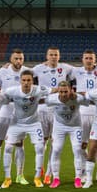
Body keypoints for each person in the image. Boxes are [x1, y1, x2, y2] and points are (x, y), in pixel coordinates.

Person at [0, 70, 56, 188]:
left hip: (34, 123)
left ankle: (37, 177)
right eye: (24, 80)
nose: (26, 83)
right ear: (20, 81)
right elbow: (0, 95)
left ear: (32, 81)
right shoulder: (13, 90)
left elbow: (54, 90)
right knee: (8, 148)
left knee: (40, 148)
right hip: (16, 123)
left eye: (28, 80)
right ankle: (7, 178)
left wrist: (68, 91)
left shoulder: (38, 89)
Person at [0, 49, 30, 187]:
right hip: (4, 112)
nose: (18, 61)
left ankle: (20, 175)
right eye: (16, 58)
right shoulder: (2, 72)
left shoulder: (27, 71)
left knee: (19, 144)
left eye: (21, 58)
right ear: (11, 59)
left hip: (20, 113)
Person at [32, 47, 74, 184]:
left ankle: (49, 173)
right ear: (47, 56)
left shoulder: (65, 68)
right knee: (42, 141)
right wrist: (8, 66)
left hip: (58, 109)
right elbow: (23, 72)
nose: (53, 57)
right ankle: (40, 168)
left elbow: (81, 71)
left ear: (59, 56)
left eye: (56, 54)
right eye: (51, 54)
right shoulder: (38, 68)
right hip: (42, 108)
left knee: (54, 142)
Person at [71, 49, 97, 183]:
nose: (89, 60)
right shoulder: (75, 71)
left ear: (95, 59)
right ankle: (83, 172)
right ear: (82, 59)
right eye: (86, 58)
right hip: (82, 113)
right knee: (81, 145)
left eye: (91, 58)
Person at [45, 81, 89, 188]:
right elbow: (43, 101)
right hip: (59, 127)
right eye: (61, 91)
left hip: (75, 127)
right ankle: (56, 178)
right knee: (56, 150)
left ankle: (78, 178)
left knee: (77, 149)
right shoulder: (52, 99)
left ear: (70, 90)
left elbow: (88, 102)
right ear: (58, 91)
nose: (63, 94)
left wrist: (81, 95)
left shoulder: (77, 98)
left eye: (66, 91)